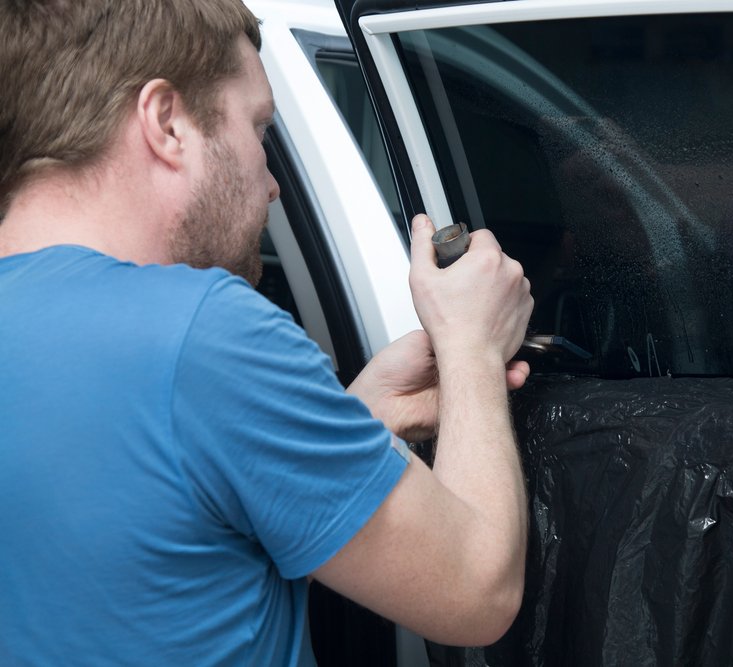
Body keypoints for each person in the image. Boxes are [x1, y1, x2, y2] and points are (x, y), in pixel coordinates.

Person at [0, 0, 534, 664]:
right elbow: (478, 591)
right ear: (166, 122)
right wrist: (473, 346)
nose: (273, 183)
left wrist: (351, 419)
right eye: (259, 130)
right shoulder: (203, 331)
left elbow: (153, 545)